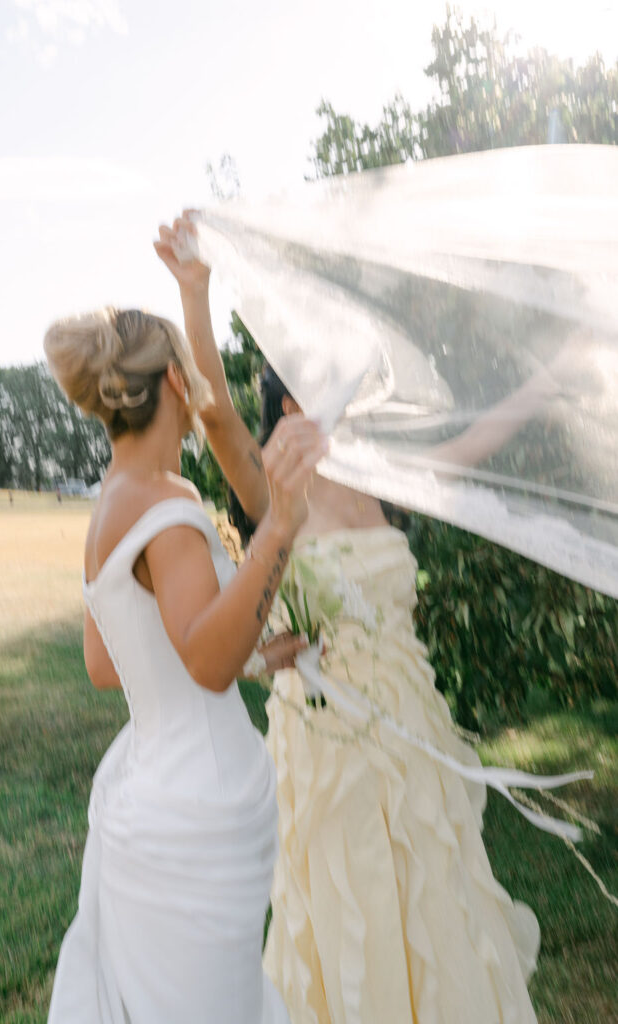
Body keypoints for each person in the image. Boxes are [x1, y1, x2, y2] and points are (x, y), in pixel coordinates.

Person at [157, 214, 543, 1024]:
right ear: (296, 394)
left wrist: (554, 379)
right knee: (351, 898)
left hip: (413, 728)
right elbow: (215, 412)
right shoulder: (268, 485)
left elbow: (477, 442)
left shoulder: (383, 476)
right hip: (329, 738)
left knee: (432, 895)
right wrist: (195, 291)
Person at [43, 299, 327, 1022]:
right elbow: (205, 662)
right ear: (176, 381)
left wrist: (257, 657)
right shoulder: (169, 505)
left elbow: (108, 663)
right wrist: (281, 526)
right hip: (202, 809)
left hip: (145, 791)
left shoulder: (110, 504)